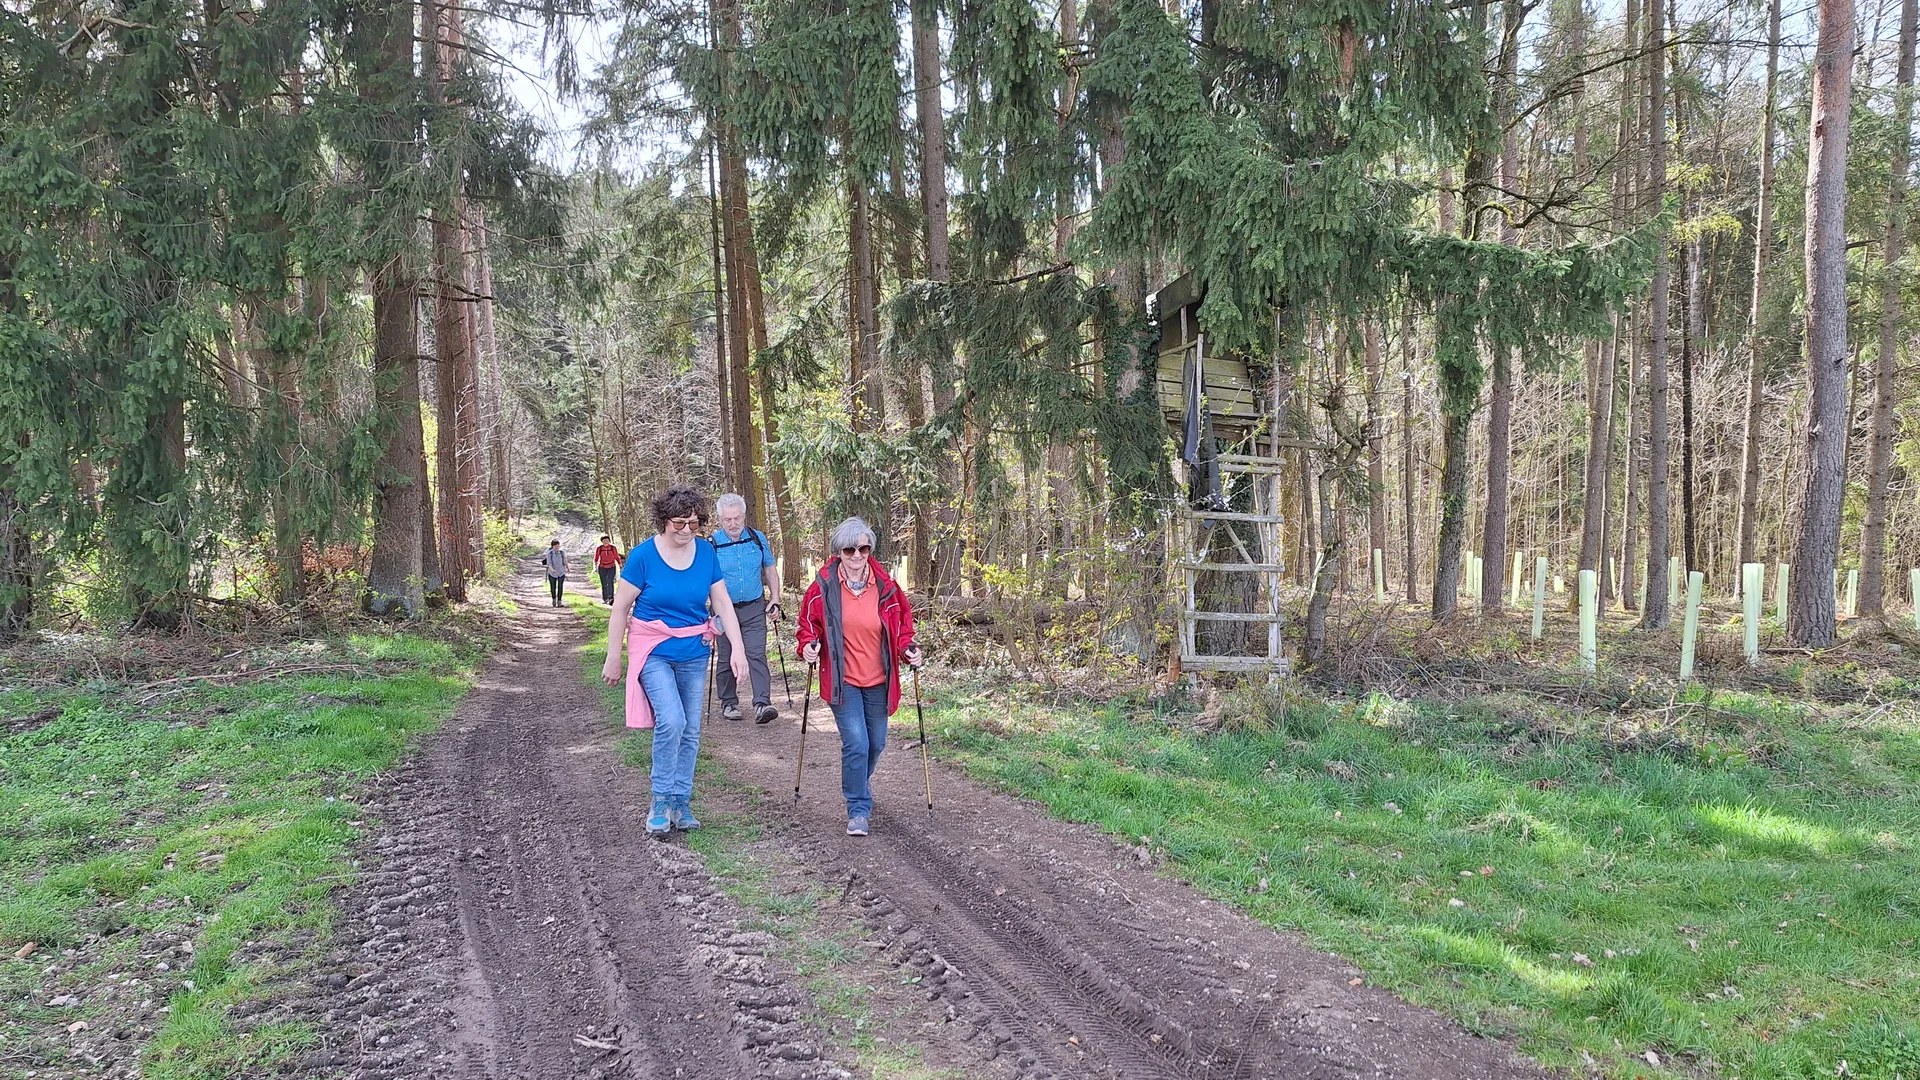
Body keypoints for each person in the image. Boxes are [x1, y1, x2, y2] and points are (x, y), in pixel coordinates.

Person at [603, 487, 748, 838]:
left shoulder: (707, 554)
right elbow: (621, 608)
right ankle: (659, 801)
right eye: (679, 523)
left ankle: (680, 803)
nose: (686, 530)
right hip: (653, 650)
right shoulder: (642, 557)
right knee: (672, 719)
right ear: (663, 521)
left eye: (694, 524)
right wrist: (613, 656)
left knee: (691, 729)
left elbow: (722, 603)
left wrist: (738, 649)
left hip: (694, 652)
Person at [796, 517, 922, 837]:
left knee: (876, 744)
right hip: (843, 679)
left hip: (880, 678)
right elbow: (808, 626)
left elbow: (903, 628)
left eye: (863, 548)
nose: (856, 555)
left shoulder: (887, 588)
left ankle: (858, 782)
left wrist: (909, 649)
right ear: (838, 551)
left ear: (870, 550)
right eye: (849, 549)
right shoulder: (823, 587)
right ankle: (858, 808)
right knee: (856, 743)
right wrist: (808, 647)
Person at [710, 493, 781, 724]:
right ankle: (729, 702)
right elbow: (704, 580)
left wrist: (775, 598)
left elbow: (770, 569)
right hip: (723, 610)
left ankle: (762, 703)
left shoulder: (757, 538)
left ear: (744, 516)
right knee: (726, 656)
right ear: (720, 519)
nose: (733, 524)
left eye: (737, 518)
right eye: (728, 519)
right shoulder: (712, 544)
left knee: (756, 654)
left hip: (753, 607)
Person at [592, 534, 622, 604]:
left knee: (610, 582)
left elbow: (616, 556)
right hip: (602, 567)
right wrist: (595, 567)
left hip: (611, 567)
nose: (605, 542)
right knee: (604, 583)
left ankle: (611, 598)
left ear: (609, 541)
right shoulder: (599, 548)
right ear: (602, 541)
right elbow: (596, 558)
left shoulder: (613, 548)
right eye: (604, 540)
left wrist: (620, 564)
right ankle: (605, 598)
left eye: (607, 540)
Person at [543, 540, 567, 606]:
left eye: (558, 545)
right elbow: (549, 564)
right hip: (552, 573)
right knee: (553, 588)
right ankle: (554, 599)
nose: (557, 547)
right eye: (555, 546)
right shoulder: (549, 553)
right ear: (552, 546)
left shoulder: (562, 552)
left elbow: (565, 560)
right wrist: (552, 570)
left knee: (560, 587)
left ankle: (559, 601)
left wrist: (568, 567)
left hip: (561, 572)